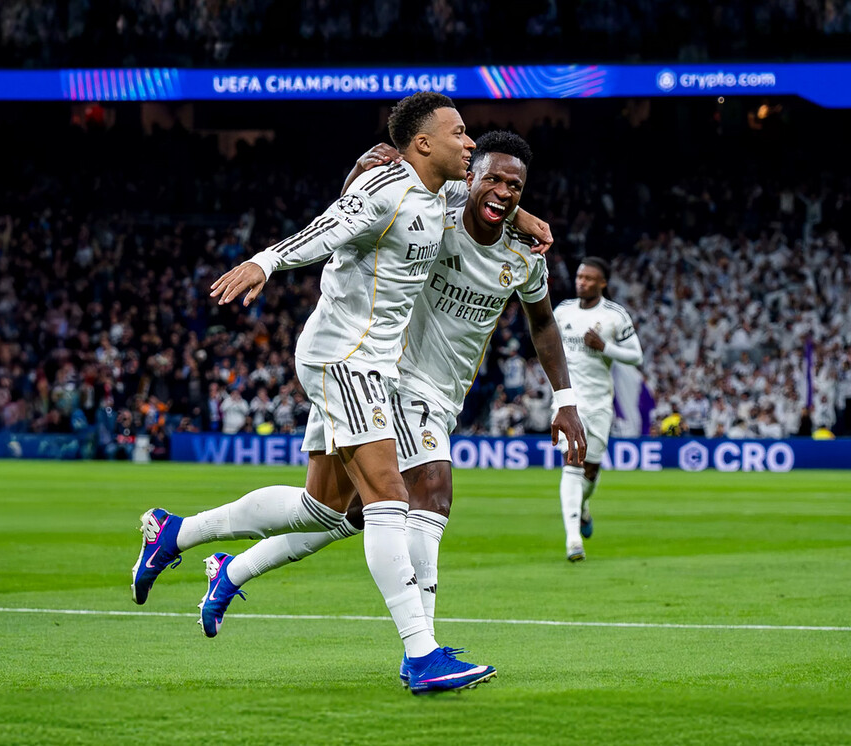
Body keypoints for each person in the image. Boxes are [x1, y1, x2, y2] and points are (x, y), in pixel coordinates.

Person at [130, 93, 553, 694]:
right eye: (459, 133)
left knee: (323, 509)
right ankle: (421, 653)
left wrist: (522, 216)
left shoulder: (444, 193)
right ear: (423, 143)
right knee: (389, 496)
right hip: (346, 359)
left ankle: (177, 533)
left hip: (369, 366)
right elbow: (329, 227)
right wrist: (265, 261)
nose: (469, 142)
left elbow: (489, 197)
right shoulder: (386, 188)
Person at [553, 256, 644, 562]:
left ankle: (583, 507)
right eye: (580, 276)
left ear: (602, 283)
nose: (583, 282)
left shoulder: (615, 316)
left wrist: (605, 347)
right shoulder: (562, 311)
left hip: (600, 402)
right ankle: (573, 540)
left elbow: (636, 357)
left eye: (590, 278)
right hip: (568, 401)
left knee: (589, 470)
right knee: (572, 462)